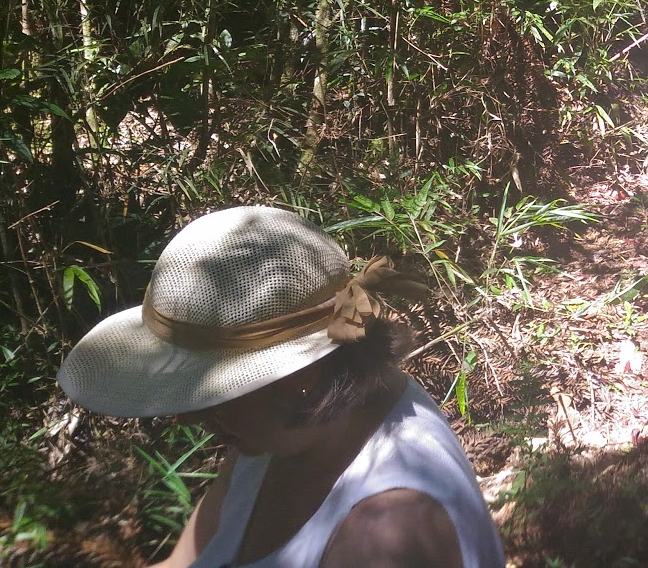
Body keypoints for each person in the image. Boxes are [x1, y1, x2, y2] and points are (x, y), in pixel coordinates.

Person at [57, 206, 505, 567]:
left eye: (213, 399)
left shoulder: (386, 534)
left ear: (300, 377)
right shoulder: (277, 431)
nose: (189, 419)